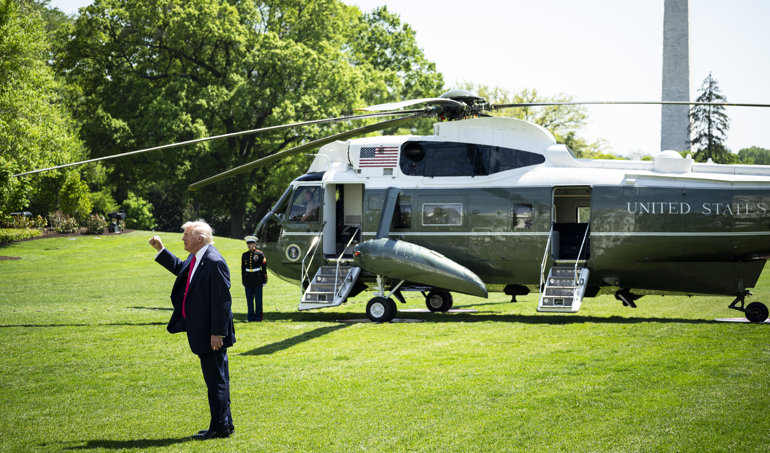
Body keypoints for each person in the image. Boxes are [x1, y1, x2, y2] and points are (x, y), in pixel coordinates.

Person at [148, 220, 236, 440]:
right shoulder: (196, 258)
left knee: (216, 381)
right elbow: (181, 270)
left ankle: (219, 428)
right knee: (217, 380)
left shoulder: (214, 261)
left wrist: (217, 332)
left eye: (186, 235)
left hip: (211, 334)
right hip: (202, 331)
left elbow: (222, 301)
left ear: (200, 238)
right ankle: (224, 424)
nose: (182, 239)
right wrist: (161, 250)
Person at [241, 236, 267, 322]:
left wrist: (264, 280)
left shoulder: (260, 254)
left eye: (251, 243)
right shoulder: (244, 255)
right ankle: (250, 317)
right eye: (248, 243)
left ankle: (258, 317)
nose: (249, 245)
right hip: (248, 279)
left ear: (255, 244)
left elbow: (264, 268)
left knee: (258, 300)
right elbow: (243, 268)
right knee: (249, 300)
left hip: (258, 279)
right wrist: (243, 280)